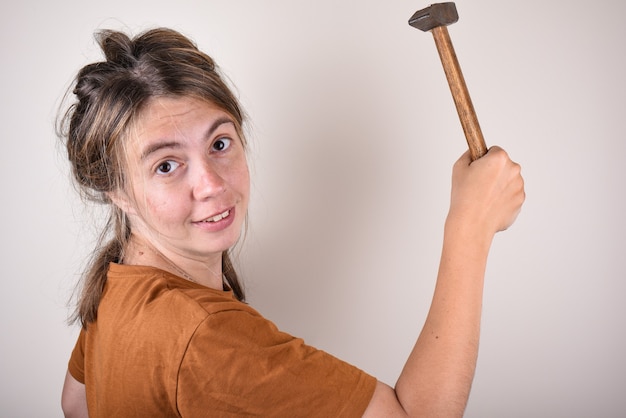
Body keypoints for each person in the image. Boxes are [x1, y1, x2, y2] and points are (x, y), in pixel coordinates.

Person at [58, 27, 524, 418]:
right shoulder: (205, 340)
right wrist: (469, 227)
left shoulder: (117, 285)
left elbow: (75, 403)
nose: (211, 184)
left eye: (219, 143)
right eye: (166, 165)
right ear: (116, 191)